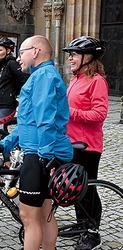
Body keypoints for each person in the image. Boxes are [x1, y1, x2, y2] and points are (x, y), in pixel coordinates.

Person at [0, 35, 73, 250]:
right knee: (44, 212)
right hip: (41, 151)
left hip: (40, 154)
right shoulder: (40, 75)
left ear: (35, 51)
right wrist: (5, 144)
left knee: (28, 216)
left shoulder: (43, 76)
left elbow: (45, 120)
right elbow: (29, 123)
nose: (18, 58)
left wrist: (46, 158)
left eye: (22, 52)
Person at [62, 36, 108, 250]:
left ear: (87, 58)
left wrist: (71, 112)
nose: (70, 58)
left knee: (88, 189)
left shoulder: (97, 81)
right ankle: (82, 224)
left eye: (74, 54)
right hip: (72, 142)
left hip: (88, 145)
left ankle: (93, 232)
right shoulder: (75, 79)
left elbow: (100, 114)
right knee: (76, 187)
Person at [0, 37, 29, 125]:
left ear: (8, 51)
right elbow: (0, 84)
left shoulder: (11, 64)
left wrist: (18, 95)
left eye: (0, 50)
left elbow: (24, 78)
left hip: (6, 104)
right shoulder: (0, 65)